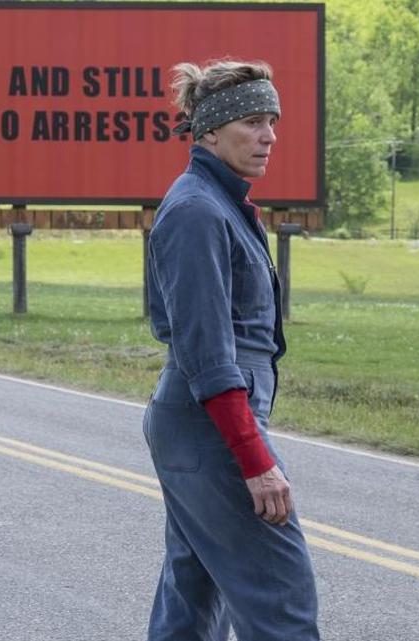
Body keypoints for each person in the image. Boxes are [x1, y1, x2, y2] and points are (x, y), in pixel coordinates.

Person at [142, 59, 320, 641]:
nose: (269, 135)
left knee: (193, 595)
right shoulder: (197, 211)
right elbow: (209, 355)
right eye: (252, 121)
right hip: (210, 423)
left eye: (272, 120)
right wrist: (255, 459)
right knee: (280, 599)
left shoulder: (218, 203)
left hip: (200, 422)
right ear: (210, 131)